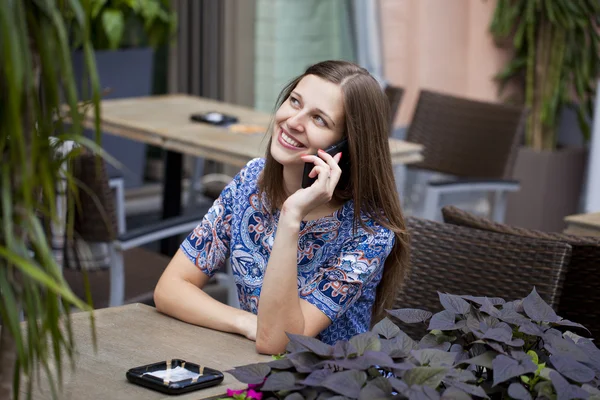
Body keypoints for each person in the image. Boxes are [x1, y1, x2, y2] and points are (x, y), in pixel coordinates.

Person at [154, 60, 409, 355]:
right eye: (294, 102)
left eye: (319, 119)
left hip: (332, 385)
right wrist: (246, 322)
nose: (293, 121)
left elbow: (279, 341)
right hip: (249, 368)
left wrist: (291, 216)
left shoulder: (369, 232)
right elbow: (170, 289)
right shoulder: (251, 181)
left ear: (346, 148)